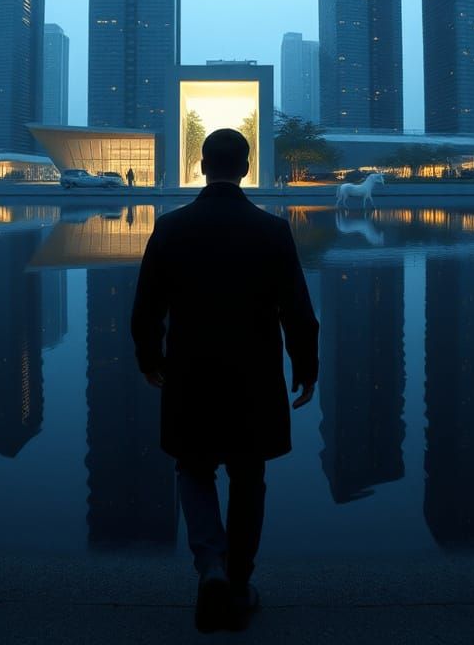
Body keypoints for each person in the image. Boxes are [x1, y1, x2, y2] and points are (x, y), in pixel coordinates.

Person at [131, 128, 319, 633]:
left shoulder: (170, 229)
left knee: (193, 469)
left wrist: (149, 358)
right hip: (253, 375)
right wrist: (306, 367)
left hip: (190, 372)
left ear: (200, 164)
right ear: (245, 166)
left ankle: (210, 566)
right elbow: (298, 312)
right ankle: (238, 581)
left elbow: (146, 308)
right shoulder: (273, 231)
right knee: (248, 476)